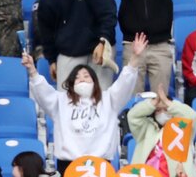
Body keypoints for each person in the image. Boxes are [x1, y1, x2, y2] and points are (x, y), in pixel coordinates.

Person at [26, 34, 145, 166]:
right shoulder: (60, 101)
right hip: (69, 164)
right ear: (71, 84)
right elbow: (42, 92)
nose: (82, 78)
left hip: (100, 164)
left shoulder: (109, 99)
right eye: (77, 77)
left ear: (95, 81)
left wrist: (135, 58)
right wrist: (32, 70)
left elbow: (125, 83)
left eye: (86, 76)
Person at [34, 0, 118, 87]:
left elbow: (108, 12)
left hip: (99, 46)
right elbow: (46, 31)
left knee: (102, 100)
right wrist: (52, 60)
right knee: (66, 100)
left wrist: (103, 40)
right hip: (69, 51)